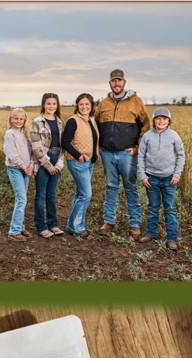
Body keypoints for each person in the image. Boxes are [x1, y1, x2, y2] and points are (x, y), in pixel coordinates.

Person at [94, 69, 151, 238]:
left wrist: (137, 148)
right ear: (110, 83)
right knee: (111, 187)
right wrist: (98, 145)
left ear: (124, 83)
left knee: (130, 188)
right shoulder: (104, 103)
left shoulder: (136, 102)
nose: (116, 84)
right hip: (107, 154)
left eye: (119, 81)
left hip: (127, 154)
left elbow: (146, 126)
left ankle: (135, 225)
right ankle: (108, 221)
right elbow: (94, 125)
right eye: (114, 81)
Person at [137, 107, 185, 251]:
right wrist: (143, 175)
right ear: (154, 120)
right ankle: (151, 233)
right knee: (153, 207)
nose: (161, 121)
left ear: (169, 121)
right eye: (158, 118)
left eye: (164, 119)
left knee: (169, 208)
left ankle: (171, 239)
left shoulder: (174, 136)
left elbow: (181, 155)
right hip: (151, 178)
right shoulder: (147, 136)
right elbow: (140, 156)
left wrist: (177, 174)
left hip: (169, 179)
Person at [60, 93, 100, 237]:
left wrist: (94, 156)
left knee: (80, 194)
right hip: (77, 162)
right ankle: (76, 227)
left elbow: (94, 139)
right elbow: (65, 142)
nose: (84, 107)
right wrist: (79, 156)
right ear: (77, 105)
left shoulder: (92, 120)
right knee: (86, 195)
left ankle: (74, 225)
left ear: (91, 106)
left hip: (89, 163)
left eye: (87, 104)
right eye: (81, 104)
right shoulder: (73, 121)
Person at [28, 93, 65, 238]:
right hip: (43, 160)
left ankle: (53, 224)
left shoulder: (60, 122)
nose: (51, 106)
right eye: (48, 103)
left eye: (54, 104)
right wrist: (49, 165)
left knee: (52, 195)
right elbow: (36, 148)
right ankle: (41, 226)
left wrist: (59, 164)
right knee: (41, 195)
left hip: (57, 158)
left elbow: (63, 146)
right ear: (44, 104)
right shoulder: (37, 122)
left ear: (57, 105)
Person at [3, 108, 34, 241]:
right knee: (21, 199)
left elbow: (32, 152)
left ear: (24, 120)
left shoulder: (24, 133)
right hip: (16, 169)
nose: (19, 121)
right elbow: (11, 154)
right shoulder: (10, 134)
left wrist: (31, 165)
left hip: (26, 170)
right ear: (11, 119)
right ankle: (14, 231)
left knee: (23, 199)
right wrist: (23, 166)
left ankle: (20, 226)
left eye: (21, 119)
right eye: (16, 118)